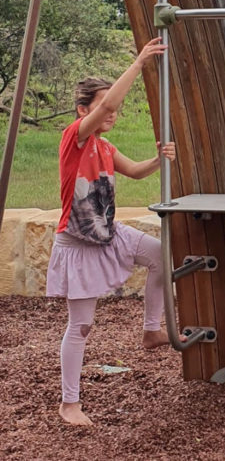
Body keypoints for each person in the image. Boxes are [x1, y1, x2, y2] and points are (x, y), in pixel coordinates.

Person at [46, 37, 176, 427]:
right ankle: (69, 403)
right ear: (83, 110)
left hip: (108, 233)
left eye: (110, 107)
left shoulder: (104, 146)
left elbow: (135, 171)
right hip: (78, 243)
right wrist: (138, 63)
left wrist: (159, 159)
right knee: (81, 326)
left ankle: (152, 331)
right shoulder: (75, 138)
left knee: (159, 255)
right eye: (102, 107)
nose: (112, 113)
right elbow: (109, 104)